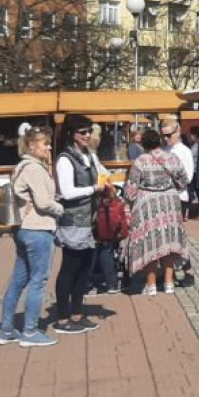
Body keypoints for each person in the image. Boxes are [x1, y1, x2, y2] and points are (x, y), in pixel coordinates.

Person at [0, 126, 62, 348]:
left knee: (18, 280)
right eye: (45, 144)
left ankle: (6, 329)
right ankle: (31, 331)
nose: (49, 147)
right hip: (38, 228)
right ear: (32, 145)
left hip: (23, 228)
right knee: (38, 280)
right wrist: (60, 208)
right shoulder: (34, 168)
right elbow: (43, 203)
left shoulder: (20, 166)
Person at [54, 115, 106, 335]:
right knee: (70, 268)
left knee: (84, 269)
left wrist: (107, 181)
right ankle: (63, 317)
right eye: (82, 132)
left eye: (89, 131)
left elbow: (103, 173)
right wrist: (94, 189)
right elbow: (67, 192)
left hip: (90, 220)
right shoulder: (65, 159)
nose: (87, 136)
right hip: (73, 220)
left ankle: (77, 311)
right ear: (71, 134)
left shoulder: (90, 156)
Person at [124, 129, 190, 296]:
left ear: (144, 144)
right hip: (170, 203)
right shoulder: (172, 158)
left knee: (150, 244)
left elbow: (131, 189)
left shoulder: (140, 161)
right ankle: (169, 283)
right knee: (169, 244)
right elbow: (184, 180)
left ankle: (151, 284)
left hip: (148, 204)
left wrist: (128, 203)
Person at [87, 125, 120, 295]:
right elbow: (104, 178)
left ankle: (89, 282)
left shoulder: (89, 158)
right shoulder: (92, 159)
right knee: (103, 245)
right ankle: (110, 282)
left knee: (97, 246)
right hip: (99, 206)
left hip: (96, 207)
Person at [160, 118, 194, 218]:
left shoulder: (185, 151)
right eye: (163, 135)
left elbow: (188, 177)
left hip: (178, 197)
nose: (166, 138)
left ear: (177, 133)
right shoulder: (164, 149)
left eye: (168, 135)